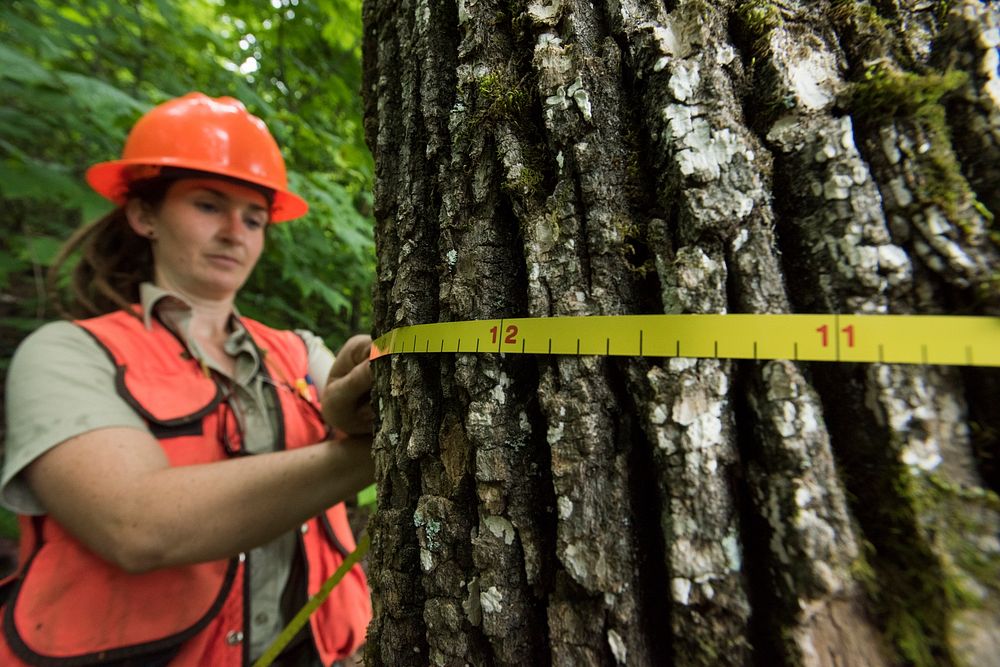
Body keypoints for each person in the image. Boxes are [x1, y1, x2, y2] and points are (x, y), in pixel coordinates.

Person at [0, 92, 375, 666]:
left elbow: (360, 407)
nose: (235, 232)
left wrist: (370, 390)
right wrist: (377, 452)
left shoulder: (299, 352)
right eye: (208, 206)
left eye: (254, 218)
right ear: (144, 214)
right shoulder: (68, 354)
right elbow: (135, 525)